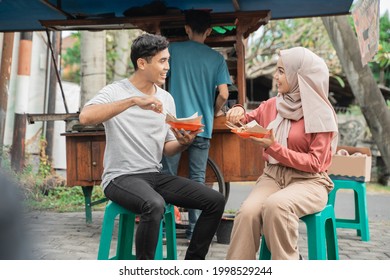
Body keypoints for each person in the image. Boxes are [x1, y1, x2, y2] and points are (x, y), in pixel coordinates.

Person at [79, 33, 225, 260]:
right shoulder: (116, 91)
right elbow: (85, 117)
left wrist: (183, 143)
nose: (168, 67)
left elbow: (167, 147)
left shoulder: (166, 98)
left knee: (214, 201)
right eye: (162, 61)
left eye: (168, 60)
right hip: (120, 178)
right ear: (142, 63)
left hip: (154, 176)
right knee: (154, 204)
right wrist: (133, 101)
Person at [225, 47, 338, 260]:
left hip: (310, 182)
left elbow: (316, 163)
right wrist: (238, 110)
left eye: (281, 71)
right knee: (247, 213)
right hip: (273, 176)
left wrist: (274, 147)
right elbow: (246, 120)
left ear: (299, 76)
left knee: (277, 206)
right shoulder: (273, 105)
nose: (275, 76)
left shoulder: (320, 115)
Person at [161, 9, 231, 241]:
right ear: (209, 31)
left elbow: (160, 78)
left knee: (167, 176)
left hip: (174, 127)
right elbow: (223, 93)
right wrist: (212, 112)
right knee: (198, 180)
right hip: (202, 127)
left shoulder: (173, 50)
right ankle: (195, 231)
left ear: (187, 29)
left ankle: (164, 228)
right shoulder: (217, 58)